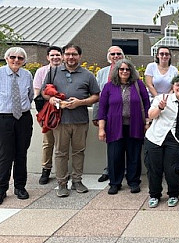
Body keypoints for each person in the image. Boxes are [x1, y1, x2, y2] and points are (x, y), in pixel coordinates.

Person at [42, 44, 100, 197]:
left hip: (80, 120)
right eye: (67, 54)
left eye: (74, 54)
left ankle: (77, 181)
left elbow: (96, 96)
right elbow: (45, 93)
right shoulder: (53, 72)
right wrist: (55, 100)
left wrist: (80, 102)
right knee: (60, 153)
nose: (70, 57)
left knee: (78, 152)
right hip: (60, 120)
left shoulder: (88, 75)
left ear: (79, 56)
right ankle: (62, 183)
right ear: (63, 56)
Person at [97, 59, 150, 195]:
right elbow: (102, 109)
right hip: (114, 127)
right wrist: (101, 129)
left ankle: (133, 182)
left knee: (134, 155)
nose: (125, 71)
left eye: (127, 69)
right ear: (117, 71)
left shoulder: (138, 84)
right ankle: (115, 183)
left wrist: (147, 122)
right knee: (115, 156)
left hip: (135, 126)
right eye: (122, 69)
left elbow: (146, 103)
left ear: (131, 71)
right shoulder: (109, 86)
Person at [144, 75, 179, 208]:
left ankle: (173, 194)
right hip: (156, 137)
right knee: (154, 168)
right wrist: (160, 108)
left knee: (172, 168)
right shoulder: (161, 98)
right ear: (173, 86)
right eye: (178, 85)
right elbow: (150, 115)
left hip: (176, 139)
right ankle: (154, 195)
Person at [0, 47, 34, 204]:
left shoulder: (27, 75)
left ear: (24, 61)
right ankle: (1, 188)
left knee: (21, 153)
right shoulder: (0, 73)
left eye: (20, 58)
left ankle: (20, 187)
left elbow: (30, 95)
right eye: (13, 57)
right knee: (5, 155)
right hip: (4, 119)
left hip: (23, 119)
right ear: (6, 58)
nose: (16, 60)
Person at [92, 46, 124, 183]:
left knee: (125, 143)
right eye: (113, 54)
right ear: (108, 56)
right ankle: (109, 170)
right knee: (110, 143)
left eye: (118, 54)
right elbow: (98, 95)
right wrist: (97, 115)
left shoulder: (128, 70)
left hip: (125, 113)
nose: (115, 56)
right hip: (108, 114)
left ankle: (124, 170)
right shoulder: (102, 73)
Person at [33, 45, 62, 185]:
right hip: (47, 112)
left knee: (62, 143)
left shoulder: (66, 71)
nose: (55, 57)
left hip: (64, 111)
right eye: (52, 55)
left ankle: (63, 171)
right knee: (48, 142)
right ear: (47, 57)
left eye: (58, 55)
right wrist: (50, 98)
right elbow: (38, 93)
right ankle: (46, 169)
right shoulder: (41, 72)